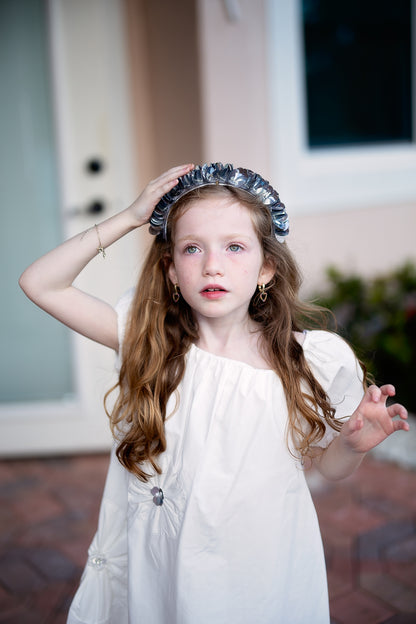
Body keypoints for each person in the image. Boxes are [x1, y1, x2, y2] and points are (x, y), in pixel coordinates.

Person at [19, 162, 409, 624]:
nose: (212, 265)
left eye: (234, 247)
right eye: (191, 248)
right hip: (165, 560)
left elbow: (329, 466)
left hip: (258, 567)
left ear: (266, 268)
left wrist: (351, 445)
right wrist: (128, 216)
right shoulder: (153, 344)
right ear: (171, 270)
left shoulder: (310, 362)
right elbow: (40, 283)